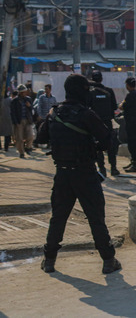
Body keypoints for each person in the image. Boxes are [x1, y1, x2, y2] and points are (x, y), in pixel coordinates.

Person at [36, 74, 121, 274]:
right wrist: (94, 146)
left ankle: (49, 260)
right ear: (82, 91)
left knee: (58, 218)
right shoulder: (86, 114)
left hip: (62, 174)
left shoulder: (54, 113)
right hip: (86, 174)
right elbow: (108, 142)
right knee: (95, 218)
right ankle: (108, 260)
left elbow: (40, 138)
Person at [88, 71, 120, 176]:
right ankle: (114, 168)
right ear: (101, 79)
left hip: (95, 123)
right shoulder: (109, 91)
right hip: (107, 123)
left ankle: (102, 169)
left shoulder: (90, 93)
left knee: (98, 147)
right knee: (110, 145)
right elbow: (114, 107)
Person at [119, 77, 136, 173]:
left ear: (128, 85)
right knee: (134, 143)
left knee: (132, 144)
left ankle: (135, 164)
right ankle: (133, 162)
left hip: (131, 123)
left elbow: (121, 107)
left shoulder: (130, 95)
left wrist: (122, 104)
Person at [10, 84, 34, 158]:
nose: (24, 93)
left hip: (28, 120)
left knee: (31, 136)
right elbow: (12, 112)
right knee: (19, 138)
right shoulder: (15, 101)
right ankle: (21, 152)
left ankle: (28, 147)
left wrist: (29, 106)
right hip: (19, 121)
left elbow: (32, 110)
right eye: (23, 92)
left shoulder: (28, 99)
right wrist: (16, 122)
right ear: (20, 93)